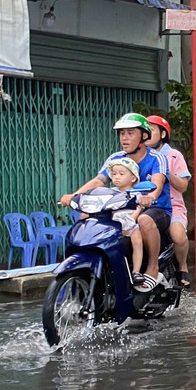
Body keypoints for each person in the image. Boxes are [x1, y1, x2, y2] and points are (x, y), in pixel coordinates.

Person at [62, 113, 169, 286]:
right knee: (85, 218)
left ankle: (152, 267)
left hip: (156, 209)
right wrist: (74, 195)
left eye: (130, 133)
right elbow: (99, 181)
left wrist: (149, 197)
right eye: (122, 133)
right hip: (122, 208)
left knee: (144, 220)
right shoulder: (115, 158)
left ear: (143, 135)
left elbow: (158, 182)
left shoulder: (156, 157)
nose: (124, 138)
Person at [93, 156, 154, 290]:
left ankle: (136, 271)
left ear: (133, 178)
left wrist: (132, 218)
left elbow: (139, 207)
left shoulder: (136, 193)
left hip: (130, 222)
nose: (116, 177)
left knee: (137, 241)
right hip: (114, 224)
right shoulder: (110, 193)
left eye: (121, 174)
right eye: (114, 174)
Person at [147, 115, 192, 287]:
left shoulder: (173, 156)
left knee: (178, 236)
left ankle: (182, 266)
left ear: (163, 134)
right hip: (145, 205)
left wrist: (165, 171)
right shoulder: (140, 155)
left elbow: (183, 186)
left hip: (172, 206)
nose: (146, 134)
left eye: (151, 130)